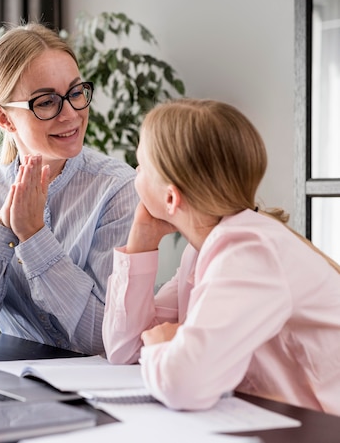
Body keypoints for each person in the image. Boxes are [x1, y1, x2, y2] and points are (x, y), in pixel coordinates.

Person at [102, 98, 340, 416]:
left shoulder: (249, 252)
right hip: (280, 422)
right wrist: (141, 243)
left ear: (171, 197)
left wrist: (162, 346)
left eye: (141, 165)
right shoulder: (203, 252)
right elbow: (124, 349)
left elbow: (184, 384)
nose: (135, 171)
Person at [0, 22, 139, 355]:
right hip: (15, 387)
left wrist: (33, 236)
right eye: (46, 102)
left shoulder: (118, 187)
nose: (71, 114)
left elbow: (104, 337)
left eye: (76, 93)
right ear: (4, 119)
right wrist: (2, 228)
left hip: (96, 394)